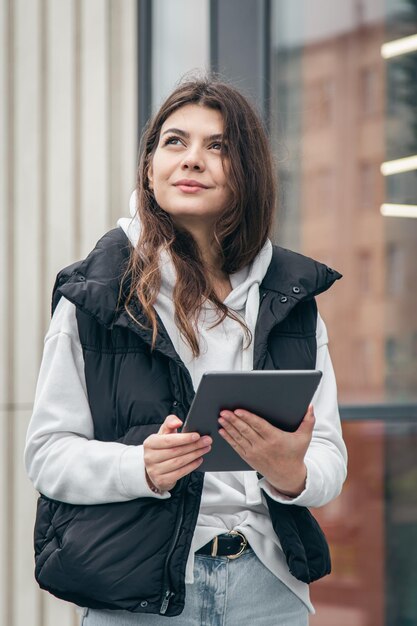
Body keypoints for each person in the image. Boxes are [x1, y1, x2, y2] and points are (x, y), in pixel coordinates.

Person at [25, 76, 347, 625]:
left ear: (247, 175)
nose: (192, 160)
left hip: (267, 592)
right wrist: (139, 467)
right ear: (150, 169)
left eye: (217, 146)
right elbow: (48, 455)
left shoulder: (291, 300)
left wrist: (290, 472)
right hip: (138, 593)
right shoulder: (96, 298)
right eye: (175, 142)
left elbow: (328, 458)